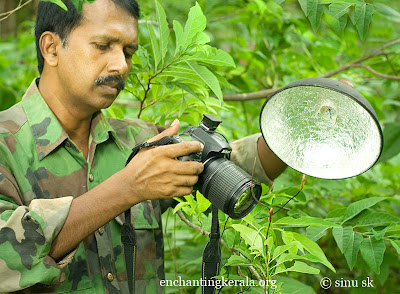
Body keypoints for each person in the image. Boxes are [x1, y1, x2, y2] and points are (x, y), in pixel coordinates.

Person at [0, 0, 287, 293]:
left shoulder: (139, 141)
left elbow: (229, 167)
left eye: (128, 52)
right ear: (51, 48)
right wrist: (128, 187)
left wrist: (296, 134)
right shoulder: (4, 146)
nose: (121, 65)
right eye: (102, 46)